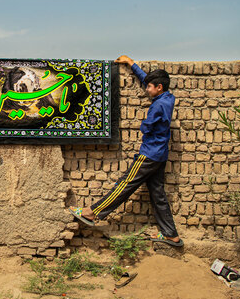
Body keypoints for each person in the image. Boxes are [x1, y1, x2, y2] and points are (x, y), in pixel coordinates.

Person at [68, 55, 183, 246]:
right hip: (160, 155)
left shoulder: (158, 106)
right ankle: (171, 234)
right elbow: (148, 80)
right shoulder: (168, 98)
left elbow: (146, 127)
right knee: (157, 194)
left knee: (124, 185)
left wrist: (145, 124)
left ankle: (92, 212)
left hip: (149, 154)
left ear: (158, 88)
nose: (147, 89)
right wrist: (132, 64)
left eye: (149, 87)